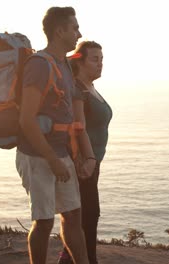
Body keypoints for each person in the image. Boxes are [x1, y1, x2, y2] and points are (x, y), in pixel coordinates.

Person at [15, 6, 92, 264]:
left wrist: (74, 154)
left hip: (60, 153)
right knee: (44, 221)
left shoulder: (63, 65)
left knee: (72, 215)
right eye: (74, 28)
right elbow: (26, 120)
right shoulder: (39, 65)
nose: (79, 33)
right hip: (37, 156)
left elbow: (66, 116)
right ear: (59, 31)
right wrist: (52, 159)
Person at [57, 41, 113, 264]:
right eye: (94, 59)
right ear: (80, 61)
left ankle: (69, 260)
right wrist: (83, 159)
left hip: (92, 162)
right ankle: (87, 260)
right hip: (82, 163)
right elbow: (76, 127)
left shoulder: (89, 87)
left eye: (102, 59)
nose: (100, 64)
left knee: (85, 217)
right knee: (87, 216)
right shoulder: (78, 90)